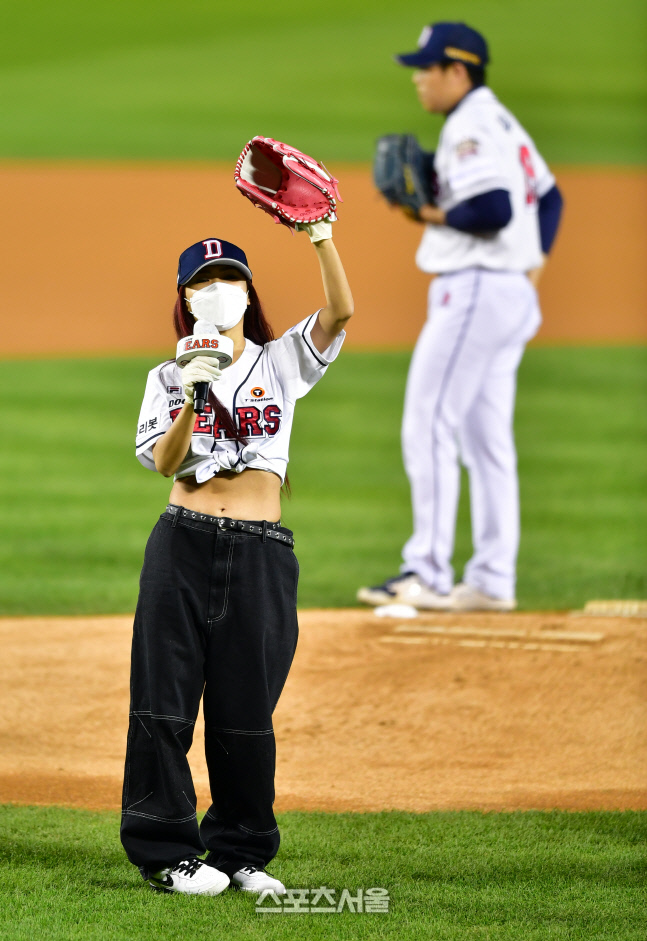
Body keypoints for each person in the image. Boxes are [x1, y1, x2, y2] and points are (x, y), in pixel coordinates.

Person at [121, 222, 353, 895]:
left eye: (229, 278)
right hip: (182, 543)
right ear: (185, 298)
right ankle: (166, 852)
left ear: (250, 292)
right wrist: (193, 396)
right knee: (163, 704)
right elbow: (166, 463)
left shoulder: (280, 363)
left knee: (246, 710)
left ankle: (240, 851)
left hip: (260, 552)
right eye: (203, 282)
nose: (218, 289)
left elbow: (339, 312)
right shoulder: (166, 376)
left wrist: (321, 236)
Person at [358, 22, 563, 612]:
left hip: (474, 291)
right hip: (507, 293)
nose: (418, 80)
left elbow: (494, 210)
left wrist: (427, 213)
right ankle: (493, 579)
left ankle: (426, 571)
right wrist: (532, 266)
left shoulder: (470, 125)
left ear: (458, 70)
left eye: (426, 69)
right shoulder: (501, 121)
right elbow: (551, 197)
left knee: (428, 423)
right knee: (486, 439)